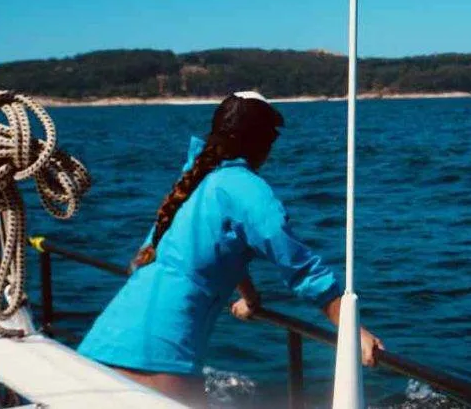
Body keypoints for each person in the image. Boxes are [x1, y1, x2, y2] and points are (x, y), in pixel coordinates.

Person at [78, 91, 382, 404]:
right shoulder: (246, 188)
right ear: (262, 145)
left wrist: (249, 297)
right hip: (158, 357)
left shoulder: (195, 180)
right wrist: (353, 332)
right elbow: (300, 267)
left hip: (100, 346)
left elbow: (215, 249)